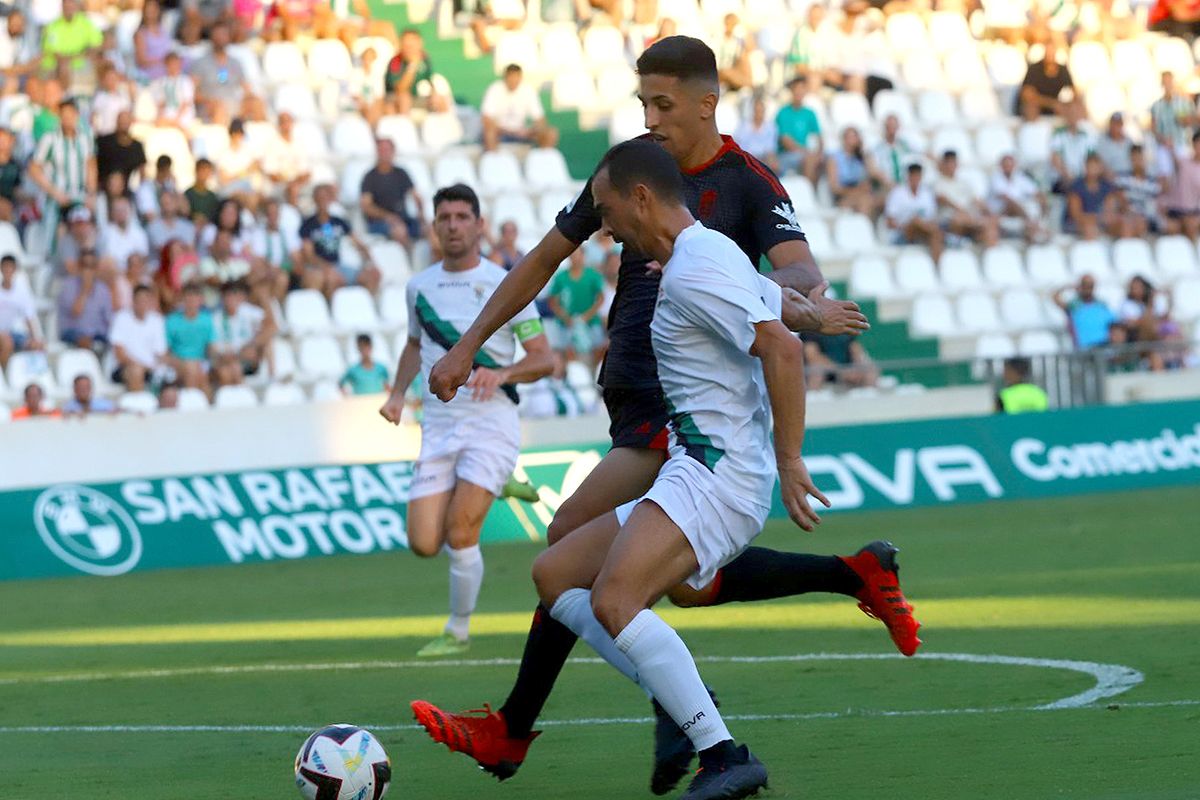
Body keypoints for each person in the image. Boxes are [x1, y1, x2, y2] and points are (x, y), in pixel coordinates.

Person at [410, 37, 914, 792]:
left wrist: (806, 308)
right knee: (658, 583)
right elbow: (543, 259)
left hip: (678, 413)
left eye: (663, 105)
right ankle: (846, 577)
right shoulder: (629, 173)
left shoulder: (736, 188)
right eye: (642, 103)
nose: (649, 117)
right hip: (640, 400)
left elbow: (791, 276)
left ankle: (561, 728)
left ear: (707, 103)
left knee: (588, 570)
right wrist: (469, 345)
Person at [529, 138, 831, 800]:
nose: (605, 230)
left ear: (642, 198)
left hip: (718, 475)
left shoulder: (693, 269)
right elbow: (773, 305)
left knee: (614, 601)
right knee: (555, 574)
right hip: (695, 468)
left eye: (609, 212)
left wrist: (790, 458)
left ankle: (722, 752)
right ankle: (676, 694)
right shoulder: (707, 252)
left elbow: (779, 349)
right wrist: (817, 312)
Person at [378, 183, 555, 657]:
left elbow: (545, 359)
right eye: (445, 218)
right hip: (437, 425)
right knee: (421, 541)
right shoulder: (419, 286)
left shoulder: (508, 282)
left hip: (490, 422)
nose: (453, 225)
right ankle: (498, 485)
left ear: (479, 225)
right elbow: (416, 345)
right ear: (435, 226)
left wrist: (504, 373)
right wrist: (397, 394)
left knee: (460, 532)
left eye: (462, 216)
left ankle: (457, 631)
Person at [28, 100, 96, 239]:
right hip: (56, 198)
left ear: (77, 115)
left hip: (80, 196)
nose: (67, 119)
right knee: (55, 236)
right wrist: (54, 191)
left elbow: (90, 165)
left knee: (85, 235)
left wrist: (91, 193)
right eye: (64, 115)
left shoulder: (86, 137)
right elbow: (34, 168)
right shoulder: (50, 138)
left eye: (70, 114)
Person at [300, 184, 380, 297]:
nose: (322, 201)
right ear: (314, 200)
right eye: (319, 198)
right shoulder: (308, 225)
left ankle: (365, 309)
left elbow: (358, 244)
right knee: (332, 280)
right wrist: (327, 268)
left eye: (325, 197)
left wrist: (371, 263)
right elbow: (309, 255)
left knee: (371, 276)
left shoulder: (338, 221)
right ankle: (332, 311)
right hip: (319, 267)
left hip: (338, 265)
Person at [547, 248, 606, 365]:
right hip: (566, 324)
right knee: (566, 352)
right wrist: (565, 317)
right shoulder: (561, 277)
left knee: (598, 349)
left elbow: (601, 298)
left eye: (578, 255)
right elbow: (552, 301)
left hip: (590, 322)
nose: (575, 258)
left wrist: (587, 316)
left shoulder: (593, 275)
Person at [481, 64, 558, 151]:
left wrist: (532, 129)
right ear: (505, 77)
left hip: (522, 132)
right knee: (489, 133)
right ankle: (494, 160)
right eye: (511, 78)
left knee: (550, 133)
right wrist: (507, 131)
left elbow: (539, 118)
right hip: (501, 133)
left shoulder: (528, 90)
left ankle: (544, 160)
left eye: (516, 78)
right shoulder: (494, 89)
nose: (513, 81)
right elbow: (486, 119)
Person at [360, 138, 423, 245]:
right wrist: (387, 216)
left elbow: (416, 196)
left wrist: (421, 216)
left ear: (393, 152)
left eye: (387, 150)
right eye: (381, 150)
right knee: (399, 231)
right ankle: (408, 260)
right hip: (379, 222)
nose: (384, 153)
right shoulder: (370, 177)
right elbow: (366, 206)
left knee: (433, 229)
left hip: (402, 218)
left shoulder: (401, 173)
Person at [211, 280, 274, 386]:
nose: (231, 299)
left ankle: (273, 377)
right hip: (227, 358)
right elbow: (214, 346)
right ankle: (239, 395)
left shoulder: (246, 311)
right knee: (227, 371)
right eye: (227, 296)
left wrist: (253, 344)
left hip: (246, 355)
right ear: (223, 299)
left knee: (268, 342)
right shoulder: (216, 318)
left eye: (233, 295)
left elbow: (272, 325)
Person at [192, 21, 256, 124]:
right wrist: (208, 101)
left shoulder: (236, 63)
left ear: (229, 37)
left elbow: (247, 88)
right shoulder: (201, 63)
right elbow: (191, 91)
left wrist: (251, 99)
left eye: (223, 35)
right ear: (211, 38)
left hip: (233, 105)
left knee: (256, 104)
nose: (220, 38)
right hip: (210, 107)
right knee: (221, 109)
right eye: (217, 35)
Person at [1065, 152, 1140, 240]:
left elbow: (1110, 210)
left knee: (1127, 224)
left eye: (1095, 166)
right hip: (1079, 225)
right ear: (1085, 167)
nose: (1093, 170)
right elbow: (1076, 215)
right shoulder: (1076, 186)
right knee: (1090, 228)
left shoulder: (1106, 186)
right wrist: (1098, 218)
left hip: (1101, 224)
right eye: (1090, 166)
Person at [934, 150, 999, 247]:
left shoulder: (964, 182)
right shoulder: (938, 183)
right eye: (949, 163)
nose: (952, 166)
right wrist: (961, 210)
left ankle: (991, 254)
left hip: (968, 218)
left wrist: (988, 211)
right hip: (950, 221)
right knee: (958, 219)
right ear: (944, 164)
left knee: (990, 225)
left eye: (954, 163)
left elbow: (975, 200)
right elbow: (942, 199)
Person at [109, 284, 167, 392]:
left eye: (145, 300)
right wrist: (142, 366)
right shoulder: (121, 318)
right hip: (125, 368)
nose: (142, 303)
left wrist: (157, 367)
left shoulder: (157, 320)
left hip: (150, 370)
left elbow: (161, 353)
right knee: (136, 371)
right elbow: (120, 354)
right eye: (139, 300)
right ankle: (138, 405)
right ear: (133, 301)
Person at [884, 163, 943, 261]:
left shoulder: (926, 194)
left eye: (917, 175)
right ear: (908, 176)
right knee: (917, 221)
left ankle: (937, 266)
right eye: (913, 175)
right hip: (902, 233)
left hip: (922, 232)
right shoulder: (898, 193)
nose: (915, 178)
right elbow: (889, 222)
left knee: (933, 234)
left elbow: (932, 218)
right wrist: (907, 225)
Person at [384, 27, 449, 115]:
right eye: (406, 46)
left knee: (440, 100)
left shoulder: (424, 58)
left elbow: (430, 79)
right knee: (404, 99)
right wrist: (412, 66)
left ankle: (443, 126)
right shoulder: (396, 61)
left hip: (417, 98)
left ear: (419, 43)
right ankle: (405, 127)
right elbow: (400, 90)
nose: (409, 49)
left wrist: (433, 93)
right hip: (395, 99)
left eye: (412, 46)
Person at [165, 282, 215, 393]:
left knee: (202, 374)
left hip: (200, 363)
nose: (191, 300)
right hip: (177, 364)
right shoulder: (171, 321)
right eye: (188, 296)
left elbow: (211, 348)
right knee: (191, 370)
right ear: (182, 298)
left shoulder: (207, 320)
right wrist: (181, 363)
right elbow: (166, 351)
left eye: (195, 296)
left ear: (201, 300)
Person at [57, 250, 112, 350]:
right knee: (84, 341)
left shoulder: (103, 289)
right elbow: (76, 312)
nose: (88, 270)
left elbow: (108, 319)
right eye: (85, 265)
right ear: (79, 267)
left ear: (96, 268)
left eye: (92, 266)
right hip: (73, 333)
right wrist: (84, 291)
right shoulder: (68, 286)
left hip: (97, 334)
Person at [988, 154, 1049, 243]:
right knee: (1012, 204)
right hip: (1000, 211)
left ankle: (1039, 225)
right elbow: (1005, 198)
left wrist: (1041, 201)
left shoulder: (1019, 178)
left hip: (1019, 210)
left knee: (1041, 201)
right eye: (1006, 165)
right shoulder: (996, 178)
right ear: (1001, 166)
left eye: (1010, 165)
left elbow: (1036, 193)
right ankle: (1032, 224)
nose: (1008, 167)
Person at [774, 77, 821, 183]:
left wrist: (819, 154)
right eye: (796, 89)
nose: (799, 92)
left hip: (806, 154)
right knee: (809, 160)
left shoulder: (810, 113)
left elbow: (819, 137)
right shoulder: (783, 112)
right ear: (791, 91)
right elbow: (786, 142)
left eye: (802, 88)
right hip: (786, 155)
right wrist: (807, 153)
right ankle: (809, 194)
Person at [0, 255, 43, 370]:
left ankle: (34, 377)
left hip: (12, 333)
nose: (8, 270)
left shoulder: (21, 292)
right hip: (3, 335)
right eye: (5, 267)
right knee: (7, 342)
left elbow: (28, 317)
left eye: (10, 267)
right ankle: (4, 374)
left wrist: (34, 338)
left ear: (15, 270)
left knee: (38, 345)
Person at [1016, 36, 1075, 119]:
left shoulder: (1062, 70)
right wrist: (1051, 103)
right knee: (1031, 106)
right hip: (1039, 107)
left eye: (1052, 51)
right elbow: (1027, 94)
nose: (1050, 54)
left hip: (1056, 109)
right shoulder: (1034, 69)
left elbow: (1073, 92)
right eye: (1048, 51)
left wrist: (1065, 104)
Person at [39, 0, 102, 76]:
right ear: (62, 7)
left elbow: (96, 44)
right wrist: (68, 59)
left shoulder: (86, 24)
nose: (68, 9)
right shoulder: (53, 26)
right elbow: (51, 50)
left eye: (70, 6)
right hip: (56, 66)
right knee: (62, 69)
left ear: (76, 7)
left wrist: (82, 55)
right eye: (66, 7)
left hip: (80, 66)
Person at [826, 126, 877, 217]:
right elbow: (834, 187)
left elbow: (871, 176)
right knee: (865, 201)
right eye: (850, 137)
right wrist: (856, 190)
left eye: (855, 137)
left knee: (870, 199)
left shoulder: (860, 158)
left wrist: (863, 154)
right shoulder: (834, 159)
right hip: (843, 196)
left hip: (861, 193)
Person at [1054, 274, 1115, 350]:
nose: (1088, 288)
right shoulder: (1074, 305)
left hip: (1103, 346)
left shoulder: (1101, 304)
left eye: (1090, 285)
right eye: (1085, 285)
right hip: (1084, 349)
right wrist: (1069, 287)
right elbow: (1056, 297)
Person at [802, 330, 877, 390]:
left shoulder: (845, 328)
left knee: (870, 368)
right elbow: (813, 356)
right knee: (816, 371)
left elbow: (857, 351)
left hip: (847, 370)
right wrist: (841, 371)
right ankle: (814, 402)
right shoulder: (810, 330)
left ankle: (868, 401)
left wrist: (856, 369)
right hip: (826, 372)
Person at [1118, 145, 1168, 235]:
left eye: (1140, 158)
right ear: (1130, 159)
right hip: (1130, 217)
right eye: (1135, 158)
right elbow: (1122, 203)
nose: (1137, 162)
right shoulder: (1123, 179)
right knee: (1131, 224)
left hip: (1150, 218)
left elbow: (1158, 204)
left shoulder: (1153, 181)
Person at [1049, 98, 1095, 193]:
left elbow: (1092, 159)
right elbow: (1055, 160)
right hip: (1064, 179)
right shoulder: (1058, 134)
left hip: (1082, 178)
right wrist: (1069, 176)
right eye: (1070, 113)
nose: (1073, 116)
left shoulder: (1086, 135)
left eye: (1075, 113)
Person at [262, 112, 311, 196]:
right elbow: (271, 173)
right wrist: (288, 183)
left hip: (297, 184)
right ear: (279, 125)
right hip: (279, 185)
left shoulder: (299, 143)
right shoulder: (272, 144)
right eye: (283, 122)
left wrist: (295, 183)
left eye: (288, 121)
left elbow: (305, 171)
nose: (286, 125)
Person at [1164, 131, 1200, 240]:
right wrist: (1170, 146)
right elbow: (1173, 157)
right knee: (1177, 227)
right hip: (1178, 210)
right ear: (1193, 144)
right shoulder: (1183, 162)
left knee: (1191, 225)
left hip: (1195, 212)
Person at [1150, 71, 1195, 156]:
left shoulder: (1183, 102)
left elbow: (1189, 122)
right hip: (1164, 147)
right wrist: (1164, 140)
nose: (1167, 85)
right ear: (1162, 84)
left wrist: (1183, 119)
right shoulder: (1156, 106)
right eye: (1165, 82)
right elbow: (1153, 128)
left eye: (1169, 82)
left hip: (1182, 145)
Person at [151, 51, 197, 131]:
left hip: (183, 115)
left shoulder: (185, 81)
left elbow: (186, 103)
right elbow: (161, 104)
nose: (173, 66)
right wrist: (161, 115)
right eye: (171, 64)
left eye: (175, 63)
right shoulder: (161, 82)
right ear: (166, 65)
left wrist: (177, 118)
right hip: (168, 114)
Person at [733, 95, 777, 172]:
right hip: (747, 159)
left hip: (764, 159)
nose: (759, 113)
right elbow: (739, 147)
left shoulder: (770, 127)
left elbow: (770, 150)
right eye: (757, 111)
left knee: (773, 164)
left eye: (761, 111)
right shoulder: (743, 126)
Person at [870, 114, 915, 189]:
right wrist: (888, 182)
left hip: (906, 185)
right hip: (887, 186)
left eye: (894, 126)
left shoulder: (905, 146)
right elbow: (874, 169)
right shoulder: (877, 148)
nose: (891, 129)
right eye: (889, 126)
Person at [133, 0, 173, 81]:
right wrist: (162, 61)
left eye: (154, 8)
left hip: (168, 74)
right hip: (150, 76)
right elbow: (141, 60)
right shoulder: (141, 33)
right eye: (149, 8)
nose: (151, 11)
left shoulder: (164, 30)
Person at [1095, 112, 1133, 178]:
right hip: (1110, 177)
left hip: (1128, 175)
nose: (1116, 127)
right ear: (1110, 124)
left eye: (1119, 124)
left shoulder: (1129, 140)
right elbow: (1098, 161)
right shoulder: (1102, 141)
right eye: (1114, 124)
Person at [186, 159, 221, 226]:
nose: (204, 174)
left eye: (207, 171)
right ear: (196, 171)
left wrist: (205, 220)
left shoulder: (212, 196)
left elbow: (214, 216)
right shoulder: (188, 193)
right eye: (202, 170)